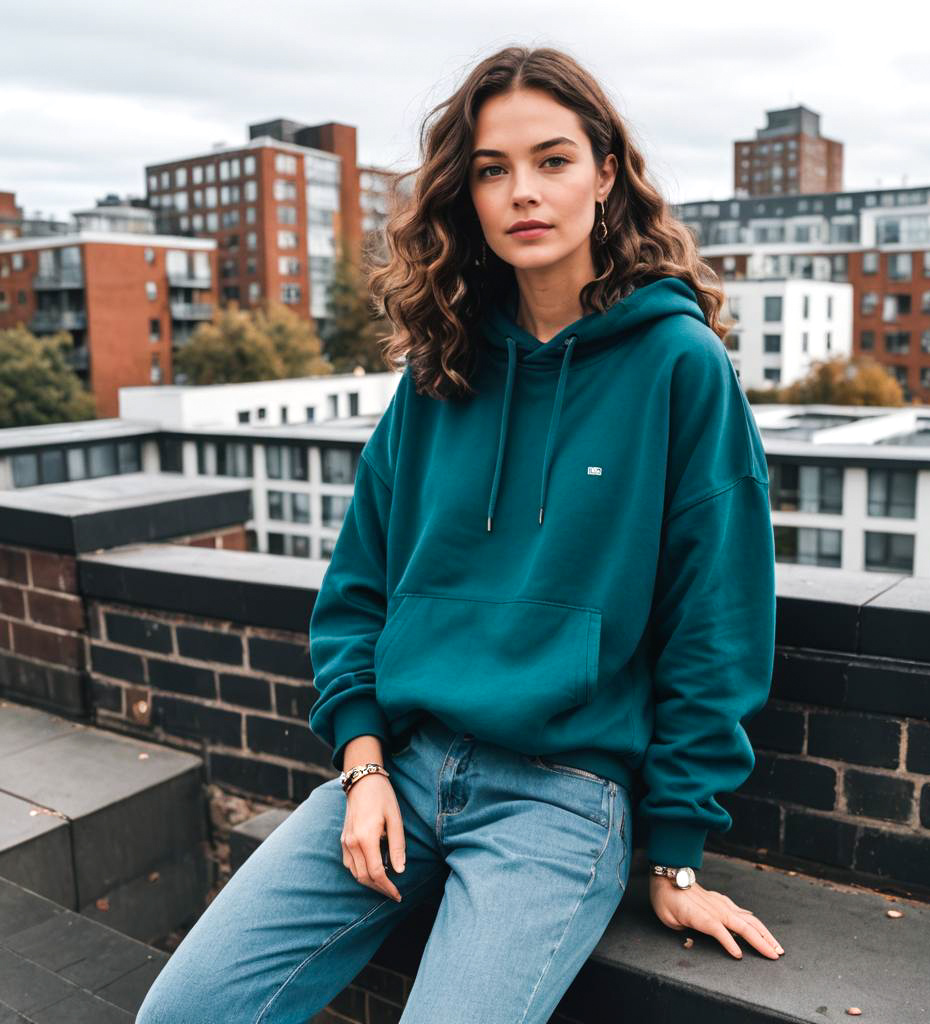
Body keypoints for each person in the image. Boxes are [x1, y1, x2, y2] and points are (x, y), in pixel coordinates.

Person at [135, 44, 783, 1024]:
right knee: (181, 1012)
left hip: (562, 799)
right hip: (399, 768)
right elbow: (356, 590)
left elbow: (716, 622)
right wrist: (360, 768)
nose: (522, 191)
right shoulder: (438, 371)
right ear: (467, 192)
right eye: (491, 168)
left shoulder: (679, 365)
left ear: (606, 174)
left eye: (552, 159)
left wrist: (677, 852)